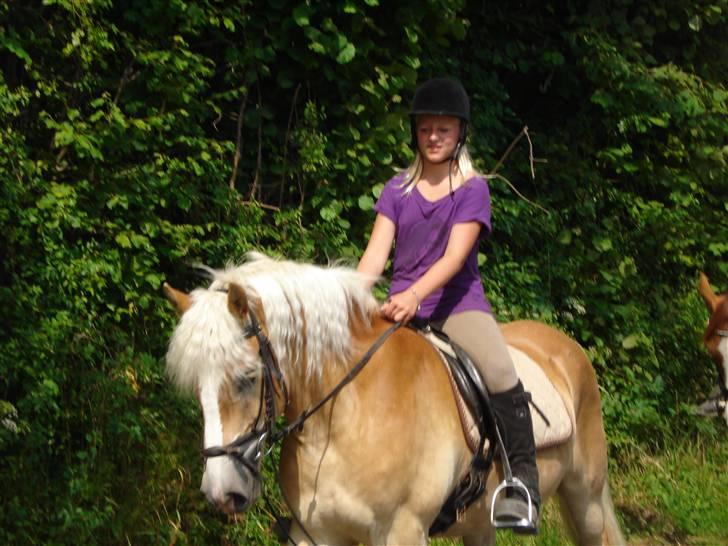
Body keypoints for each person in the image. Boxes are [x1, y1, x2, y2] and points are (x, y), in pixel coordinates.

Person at [357, 77, 540, 534]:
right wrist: (353, 298)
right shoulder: (395, 190)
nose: (433, 137)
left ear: (461, 133)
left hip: (457, 307)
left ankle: (522, 487)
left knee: (500, 373)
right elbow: (376, 255)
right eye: (425, 129)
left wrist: (415, 296)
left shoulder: (473, 189)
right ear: (415, 134)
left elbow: (455, 258)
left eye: (443, 129)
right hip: (399, 307)